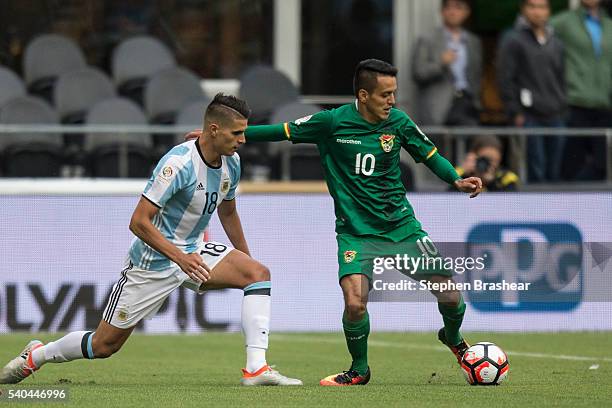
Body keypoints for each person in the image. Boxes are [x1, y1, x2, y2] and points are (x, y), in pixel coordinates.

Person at [200, 59, 482, 386]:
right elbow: (281, 131)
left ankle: (452, 337)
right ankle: (359, 370)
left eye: (394, 94)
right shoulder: (332, 122)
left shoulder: (400, 123)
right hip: (355, 234)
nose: (392, 101)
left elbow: (430, 155)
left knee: (449, 295)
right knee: (355, 301)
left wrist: (456, 180)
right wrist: (219, 136)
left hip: (401, 228)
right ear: (363, 95)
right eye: (385, 95)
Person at [0, 94, 301, 387]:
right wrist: (179, 258)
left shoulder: (232, 163)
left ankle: (255, 369)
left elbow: (229, 211)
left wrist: (244, 258)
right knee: (103, 345)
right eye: (237, 133)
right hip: (152, 262)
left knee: (258, 274)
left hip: (193, 251)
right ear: (214, 129)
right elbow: (138, 221)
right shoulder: (178, 164)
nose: (243, 140)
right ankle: (36, 356)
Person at [497, 0, 566, 183]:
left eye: (542, 7)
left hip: (555, 113)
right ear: (523, 9)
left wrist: (562, 104)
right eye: (532, 6)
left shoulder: (556, 40)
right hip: (528, 115)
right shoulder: (512, 38)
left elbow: (561, 76)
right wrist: (515, 111)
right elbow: (505, 78)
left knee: (555, 170)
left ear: (548, 10)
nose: (537, 12)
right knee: (534, 170)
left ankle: (555, 211)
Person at [551, 0, 612, 180]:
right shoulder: (563, 21)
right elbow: (534, 38)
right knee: (571, 162)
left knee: (603, 164)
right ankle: (564, 205)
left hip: (604, 103)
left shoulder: (609, 24)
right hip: (574, 101)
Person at [411, 0, 482, 128]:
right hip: (439, 107)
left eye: (458, 7)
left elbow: (476, 75)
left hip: (467, 102)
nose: (452, 12)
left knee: (469, 142)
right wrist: (441, 63)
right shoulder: (427, 38)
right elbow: (418, 72)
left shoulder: (473, 41)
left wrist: (475, 101)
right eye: (448, 7)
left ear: (467, 12)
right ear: (442, 11)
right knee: (440, 146)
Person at [455, 135, 519, 192]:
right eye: (484, 159)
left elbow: (509, 200)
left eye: (493, 160)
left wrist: (491, 183)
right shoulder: (460, 174)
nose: (488, 164)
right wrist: (463, 175)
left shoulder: (507, 177)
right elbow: (450, 197)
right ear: (474, 157)